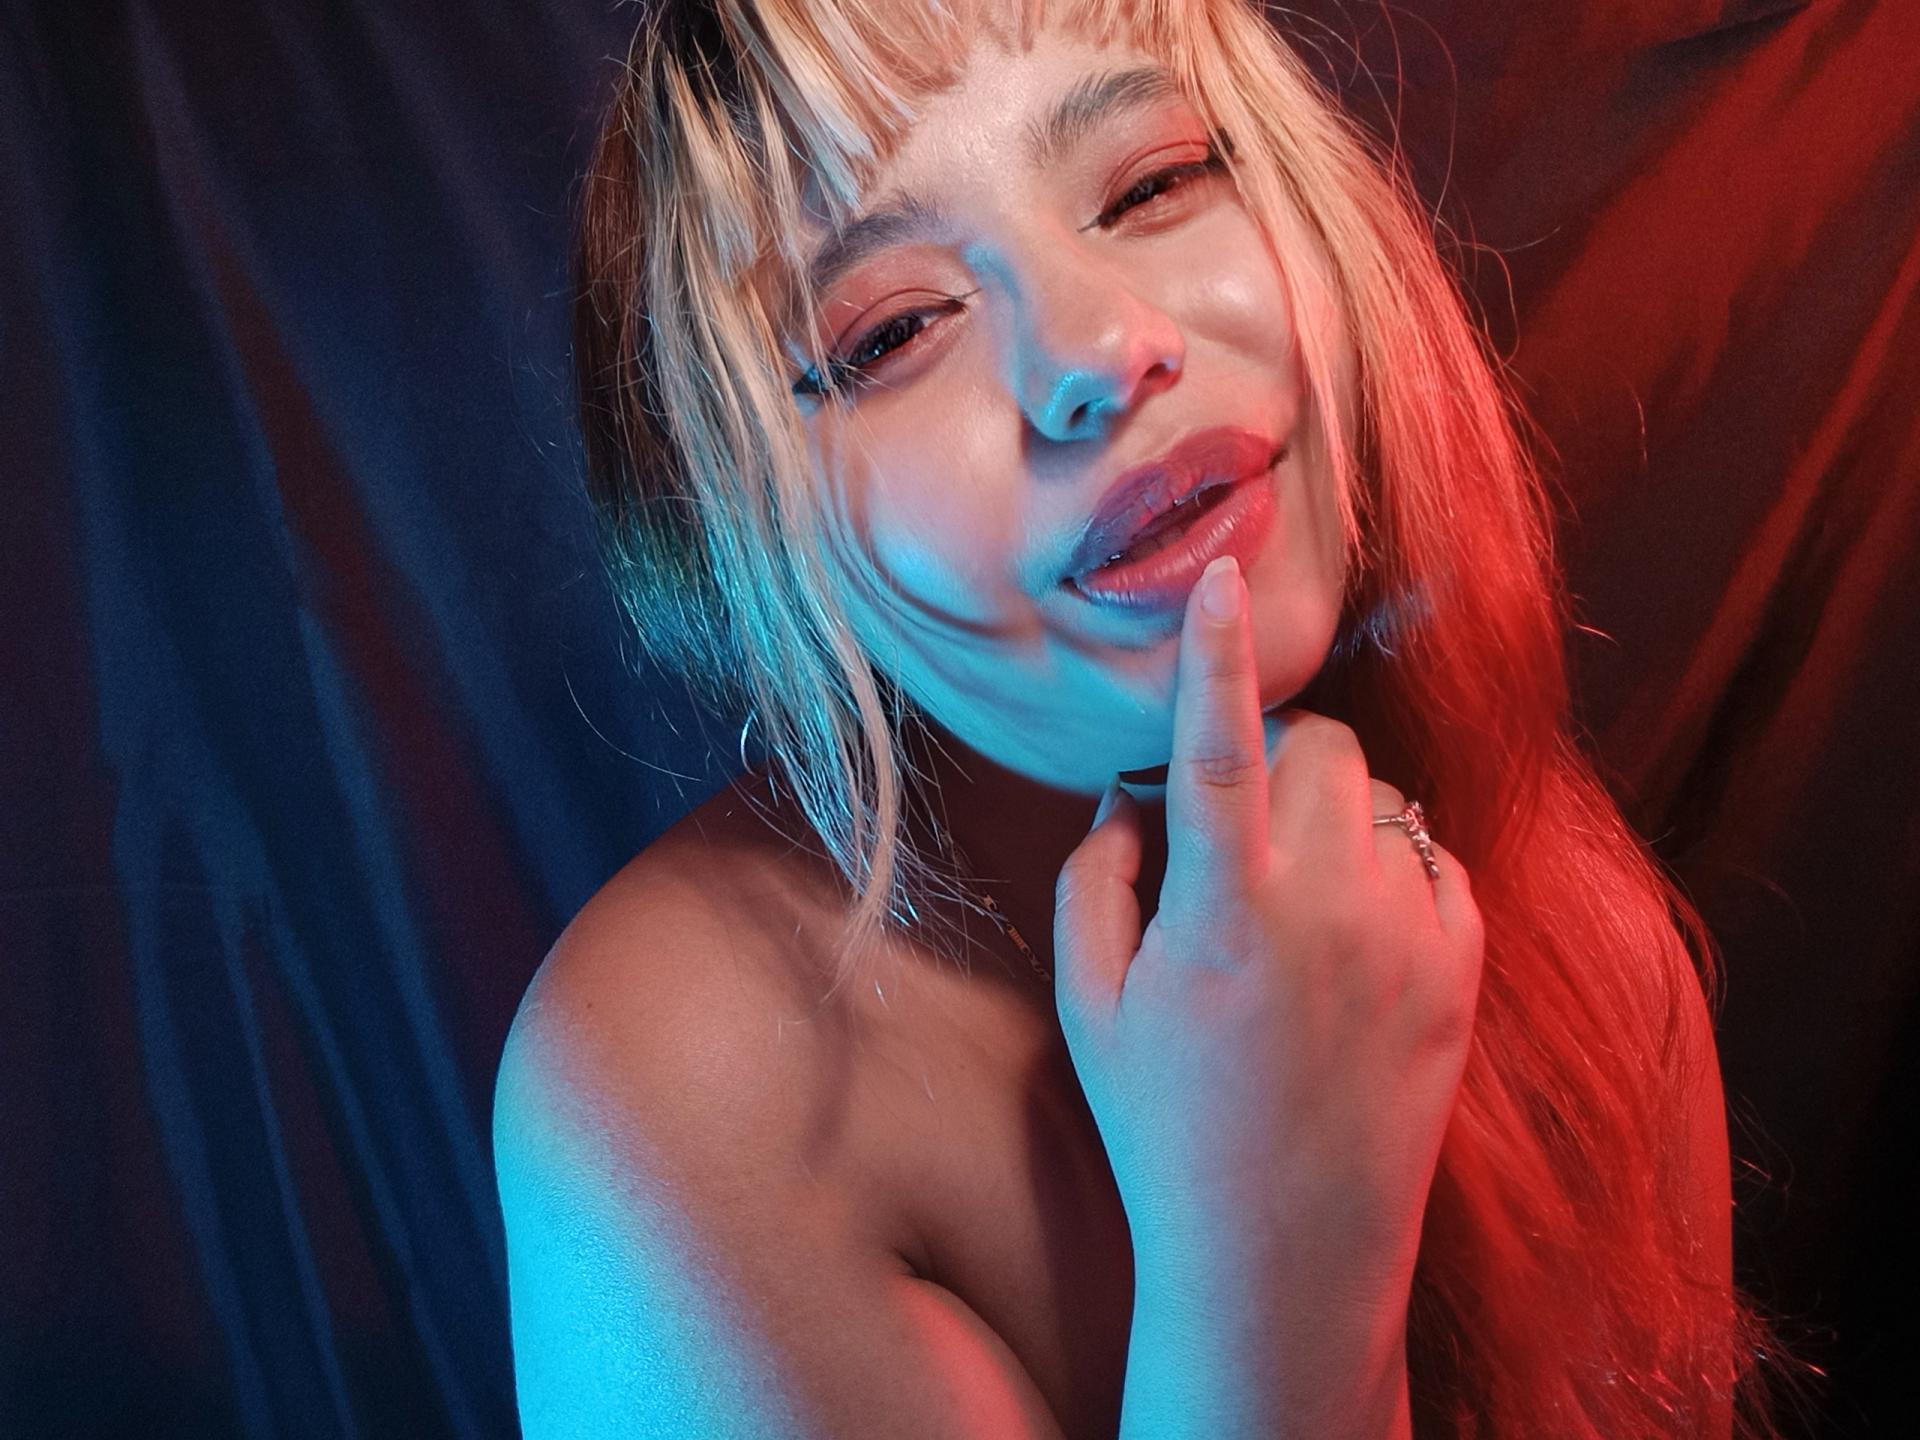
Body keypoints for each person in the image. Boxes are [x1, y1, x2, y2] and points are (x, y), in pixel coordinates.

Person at [493, 2, 1797, 1435]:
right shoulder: (680, 1079)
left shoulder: (1570, 913)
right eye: (896, 330)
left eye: (1153, 183)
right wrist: (1272, 1278)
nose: (1106, 346)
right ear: (743, 541)